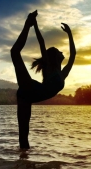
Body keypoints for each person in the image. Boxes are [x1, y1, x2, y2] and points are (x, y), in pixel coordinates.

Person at [11, 10, 76, 149]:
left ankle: (23, 166)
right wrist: (34, 25)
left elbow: (73, 55)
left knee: (24, 138)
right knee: (14, 52)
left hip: (26, 97)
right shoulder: (50, 69)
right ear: (55, 57)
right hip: (31, 88)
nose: (62, 52)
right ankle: (28, 23)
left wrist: (70, 33)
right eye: (59, 51)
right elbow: (42, 42)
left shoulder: (62, 73)